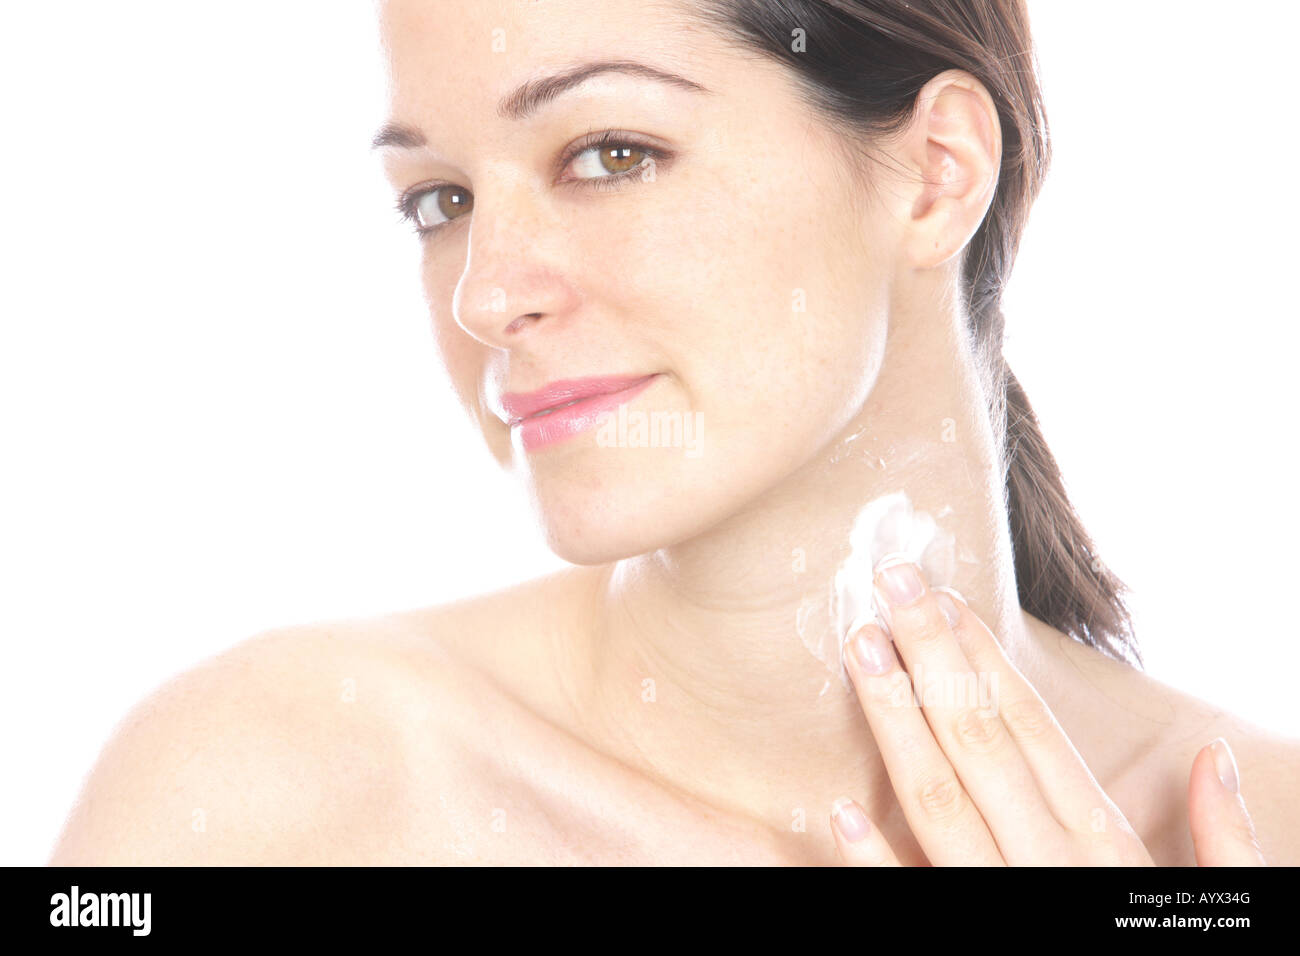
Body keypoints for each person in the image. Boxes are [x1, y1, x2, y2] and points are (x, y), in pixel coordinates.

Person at [50, 0, 1298, 866]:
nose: (488, 294)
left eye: (610, 152)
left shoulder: (1237, 833)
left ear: (934, 172)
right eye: (441, 199)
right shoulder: (261, 795)